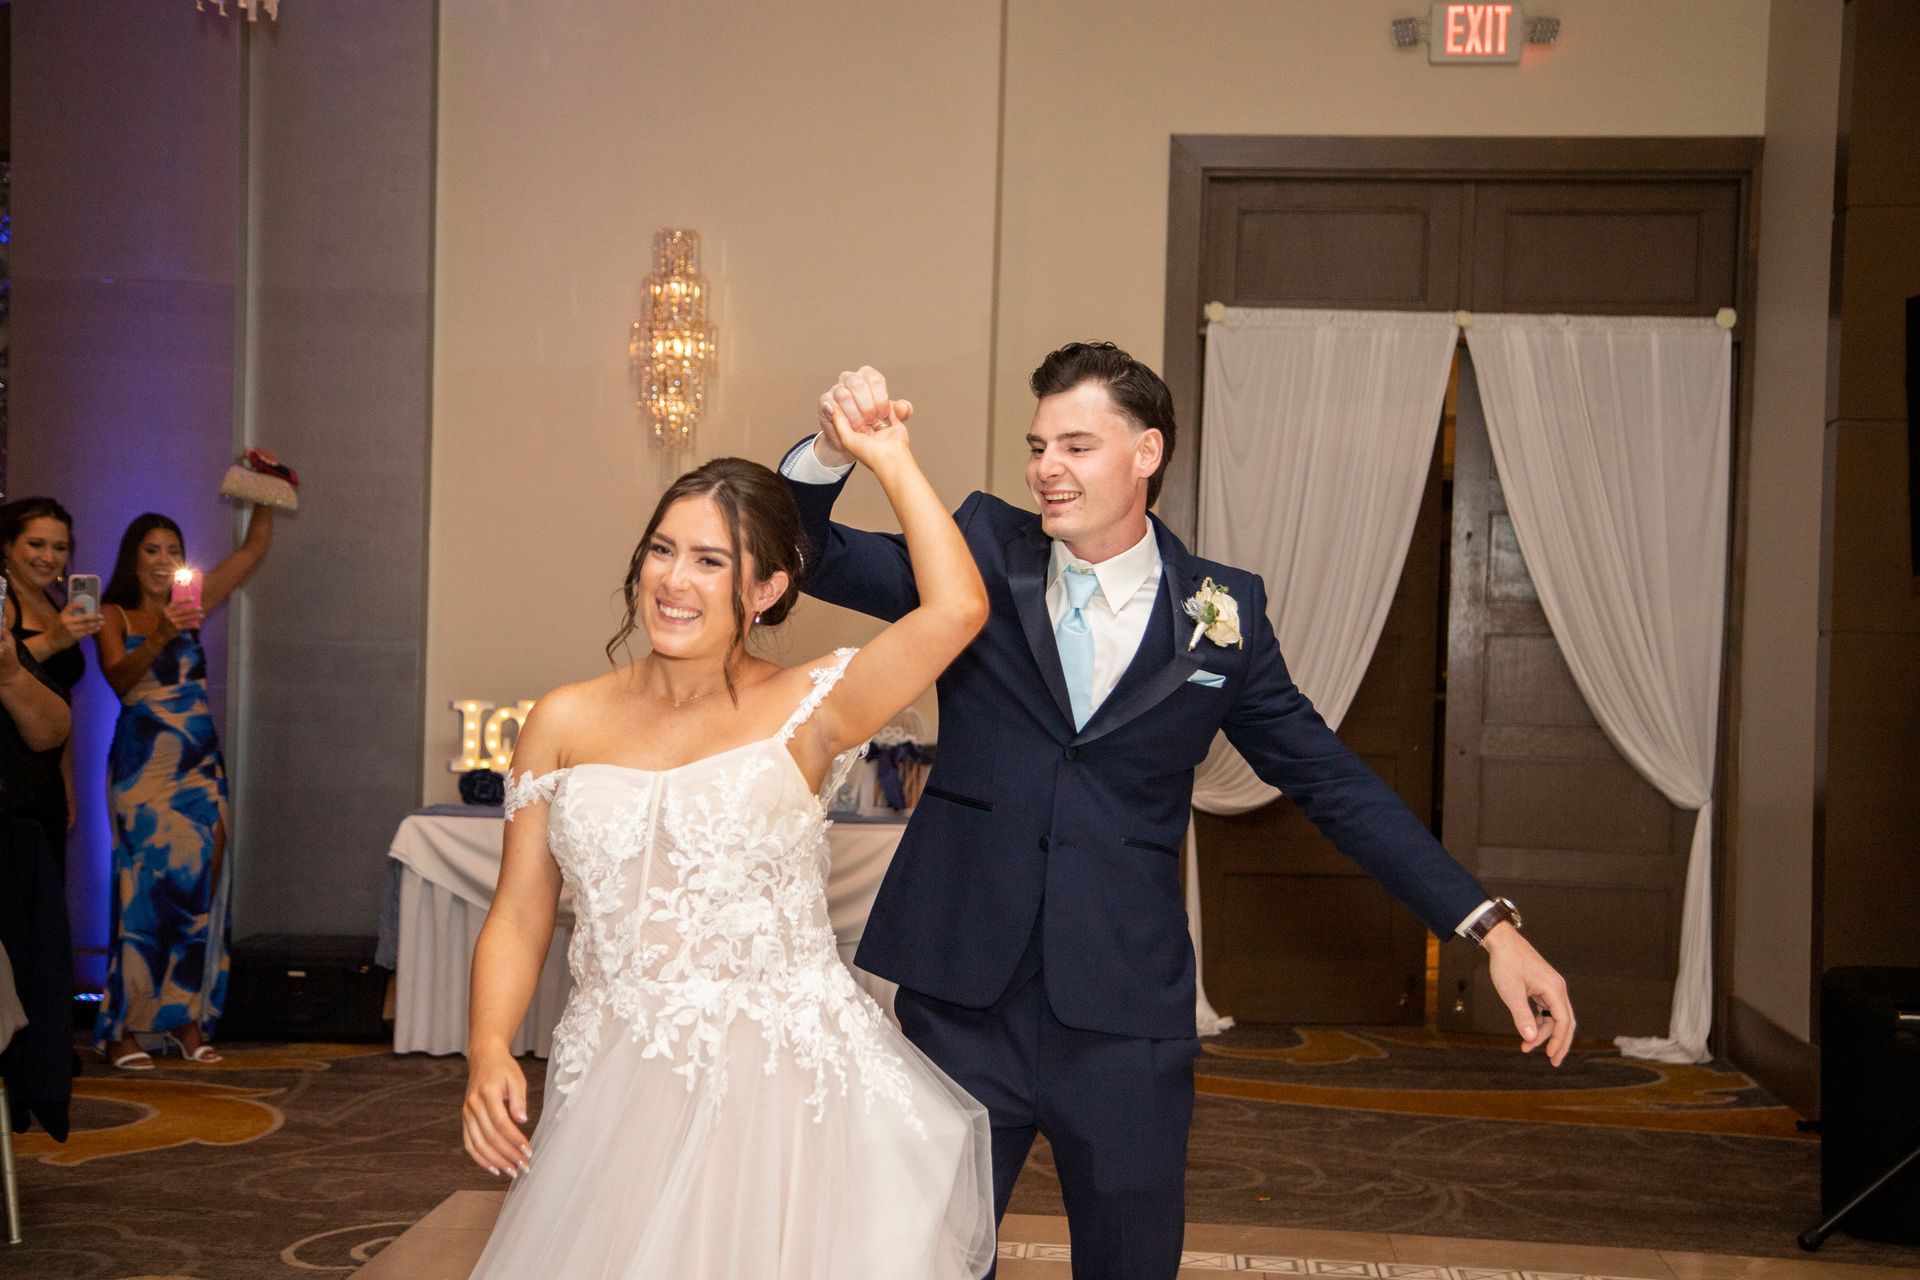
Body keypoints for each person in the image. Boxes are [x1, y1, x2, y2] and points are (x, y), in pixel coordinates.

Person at [780, 346, 1577, 1280]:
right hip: (958, 998)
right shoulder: (980, 553)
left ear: (1147, 451)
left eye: (1077, 444)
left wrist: (1488, 927)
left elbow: (1334, 783)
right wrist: (832, 457)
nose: (1046, 468)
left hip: (1122, 1017)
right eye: (1039, 445)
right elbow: (808, 553)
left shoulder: (1223, 616)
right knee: (916, 1260)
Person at [462, 436, 996, 1277]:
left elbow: (958, 608)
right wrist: (489, 1045)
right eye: (663, 551)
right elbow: (522, 911)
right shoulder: (562, 719)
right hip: (615, 1077)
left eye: (710, 560)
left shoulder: (812, 707)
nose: (675, 580)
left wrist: (889, 456)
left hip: (782, 1093)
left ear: (766, 589)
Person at [91, 499, 276, 1070]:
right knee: (141, 895)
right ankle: (121, 1027)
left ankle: (186, 1021)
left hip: (198, 764)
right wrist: (162, 634)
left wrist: (267, 489)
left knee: (198, 892)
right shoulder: (112, 613)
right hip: (143, 766)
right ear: (134, 557)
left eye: (174, 551)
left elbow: (251, 551)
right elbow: (119, 680)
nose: (164, 560)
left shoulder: (192, 602)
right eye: (153, 550)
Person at [1, 496, 103, 867]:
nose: (48, 557)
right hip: (9, 773)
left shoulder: (56, 603)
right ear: (8, 545)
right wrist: (55, 641)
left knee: (42, 899)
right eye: (36, 544)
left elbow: (62, 700)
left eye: (60, 547)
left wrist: (68, 784)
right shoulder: (5, 603)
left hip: (47, 776)